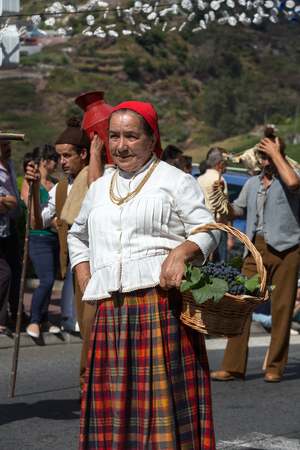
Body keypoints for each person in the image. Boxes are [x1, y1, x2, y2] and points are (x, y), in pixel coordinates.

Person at [68, 101, 220, 449]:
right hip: (109, 311)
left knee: (159, 407)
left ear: (152, 140)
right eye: (114, 136)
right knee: (116, 405)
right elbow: (78, 235)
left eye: (131, 137)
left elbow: (209, 230)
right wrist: (83, 270)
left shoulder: (174, 180)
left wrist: (183, 252)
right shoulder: (98, 188)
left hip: (159, 307)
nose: (121, 146)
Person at [25, 116, 108, 397]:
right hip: (75, 268)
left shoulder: (103, 178)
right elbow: (37, 222)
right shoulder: (60, 189)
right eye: (59, 156)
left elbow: (101, 203)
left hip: (102, 268)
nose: (62, 161)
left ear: (84, 154)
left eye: (67, 155)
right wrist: (35, 187)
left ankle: (89, 385)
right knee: (88, 331)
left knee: (91, 327)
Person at [211, 127, 300, 382]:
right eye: (263, 157)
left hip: (287, 250)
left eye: (271, 156)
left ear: (280, 155)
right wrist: (222, 198)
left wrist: (276, 152)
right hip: (255, 250)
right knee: (241, 305)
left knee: (282, 309)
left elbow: (293, 182)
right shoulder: (251, 183)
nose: (266, 162)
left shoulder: (293, 178)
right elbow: (233, 212)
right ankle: (233, 367)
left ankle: (274, 367)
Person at [21, 145, 61, 338]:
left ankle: (44, 319)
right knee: (45, 280)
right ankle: (34, 321)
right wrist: (58, 222)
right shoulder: (29, 183)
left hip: (54, 238)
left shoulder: (56, 183)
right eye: (54, 158)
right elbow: (32, 212)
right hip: (38, 237)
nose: (58, 162)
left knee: (50, 280)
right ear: (44, 160)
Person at [0, 133, 29, 325]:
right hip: (1, 226)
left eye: (9, 144)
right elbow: (7, 201)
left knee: (16, 270)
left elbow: (12, 201)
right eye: (4, 145)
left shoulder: (8, 164)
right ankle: (1, 319)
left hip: (10, 225)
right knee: (5, 273)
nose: (9, 148)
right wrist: (6, 202)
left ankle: (16, 314)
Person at [197, 147, 234, 262]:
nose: (226, 166)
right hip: (217, 226)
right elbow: (225, 208)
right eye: (226, 163)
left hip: (202, 227)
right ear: (219, 163)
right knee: (218, 265)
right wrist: (230, 236)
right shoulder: (220, 179)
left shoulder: (199, 179)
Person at [0, 183, 18, 336]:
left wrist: (2, 202)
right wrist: (3, 201)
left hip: (3, 237)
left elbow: (13, 202)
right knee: (5, 273)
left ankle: (1, 321)